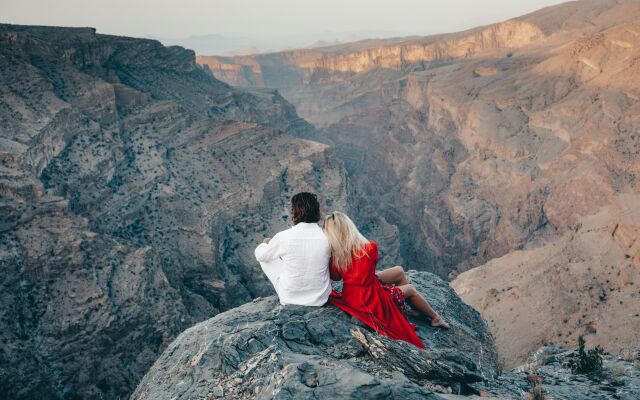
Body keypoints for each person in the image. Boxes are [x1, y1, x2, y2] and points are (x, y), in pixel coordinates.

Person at [323, 212, 450, 349]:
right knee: (411, 289)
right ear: (349, 227)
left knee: (399, 271)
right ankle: (435, 318)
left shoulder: (336, 255)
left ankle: (413, 308)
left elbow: (336, 277)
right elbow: (369, 271)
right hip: (371, 300)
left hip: (352, 296)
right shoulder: (369, 247)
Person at [254, 192, 331, 306]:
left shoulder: (283, 236)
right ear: (317, 211)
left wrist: (264, 245)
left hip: (289, 298)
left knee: (266, 256)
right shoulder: (328, 237)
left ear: (294, 212)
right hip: (320, 298)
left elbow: (261, 256)